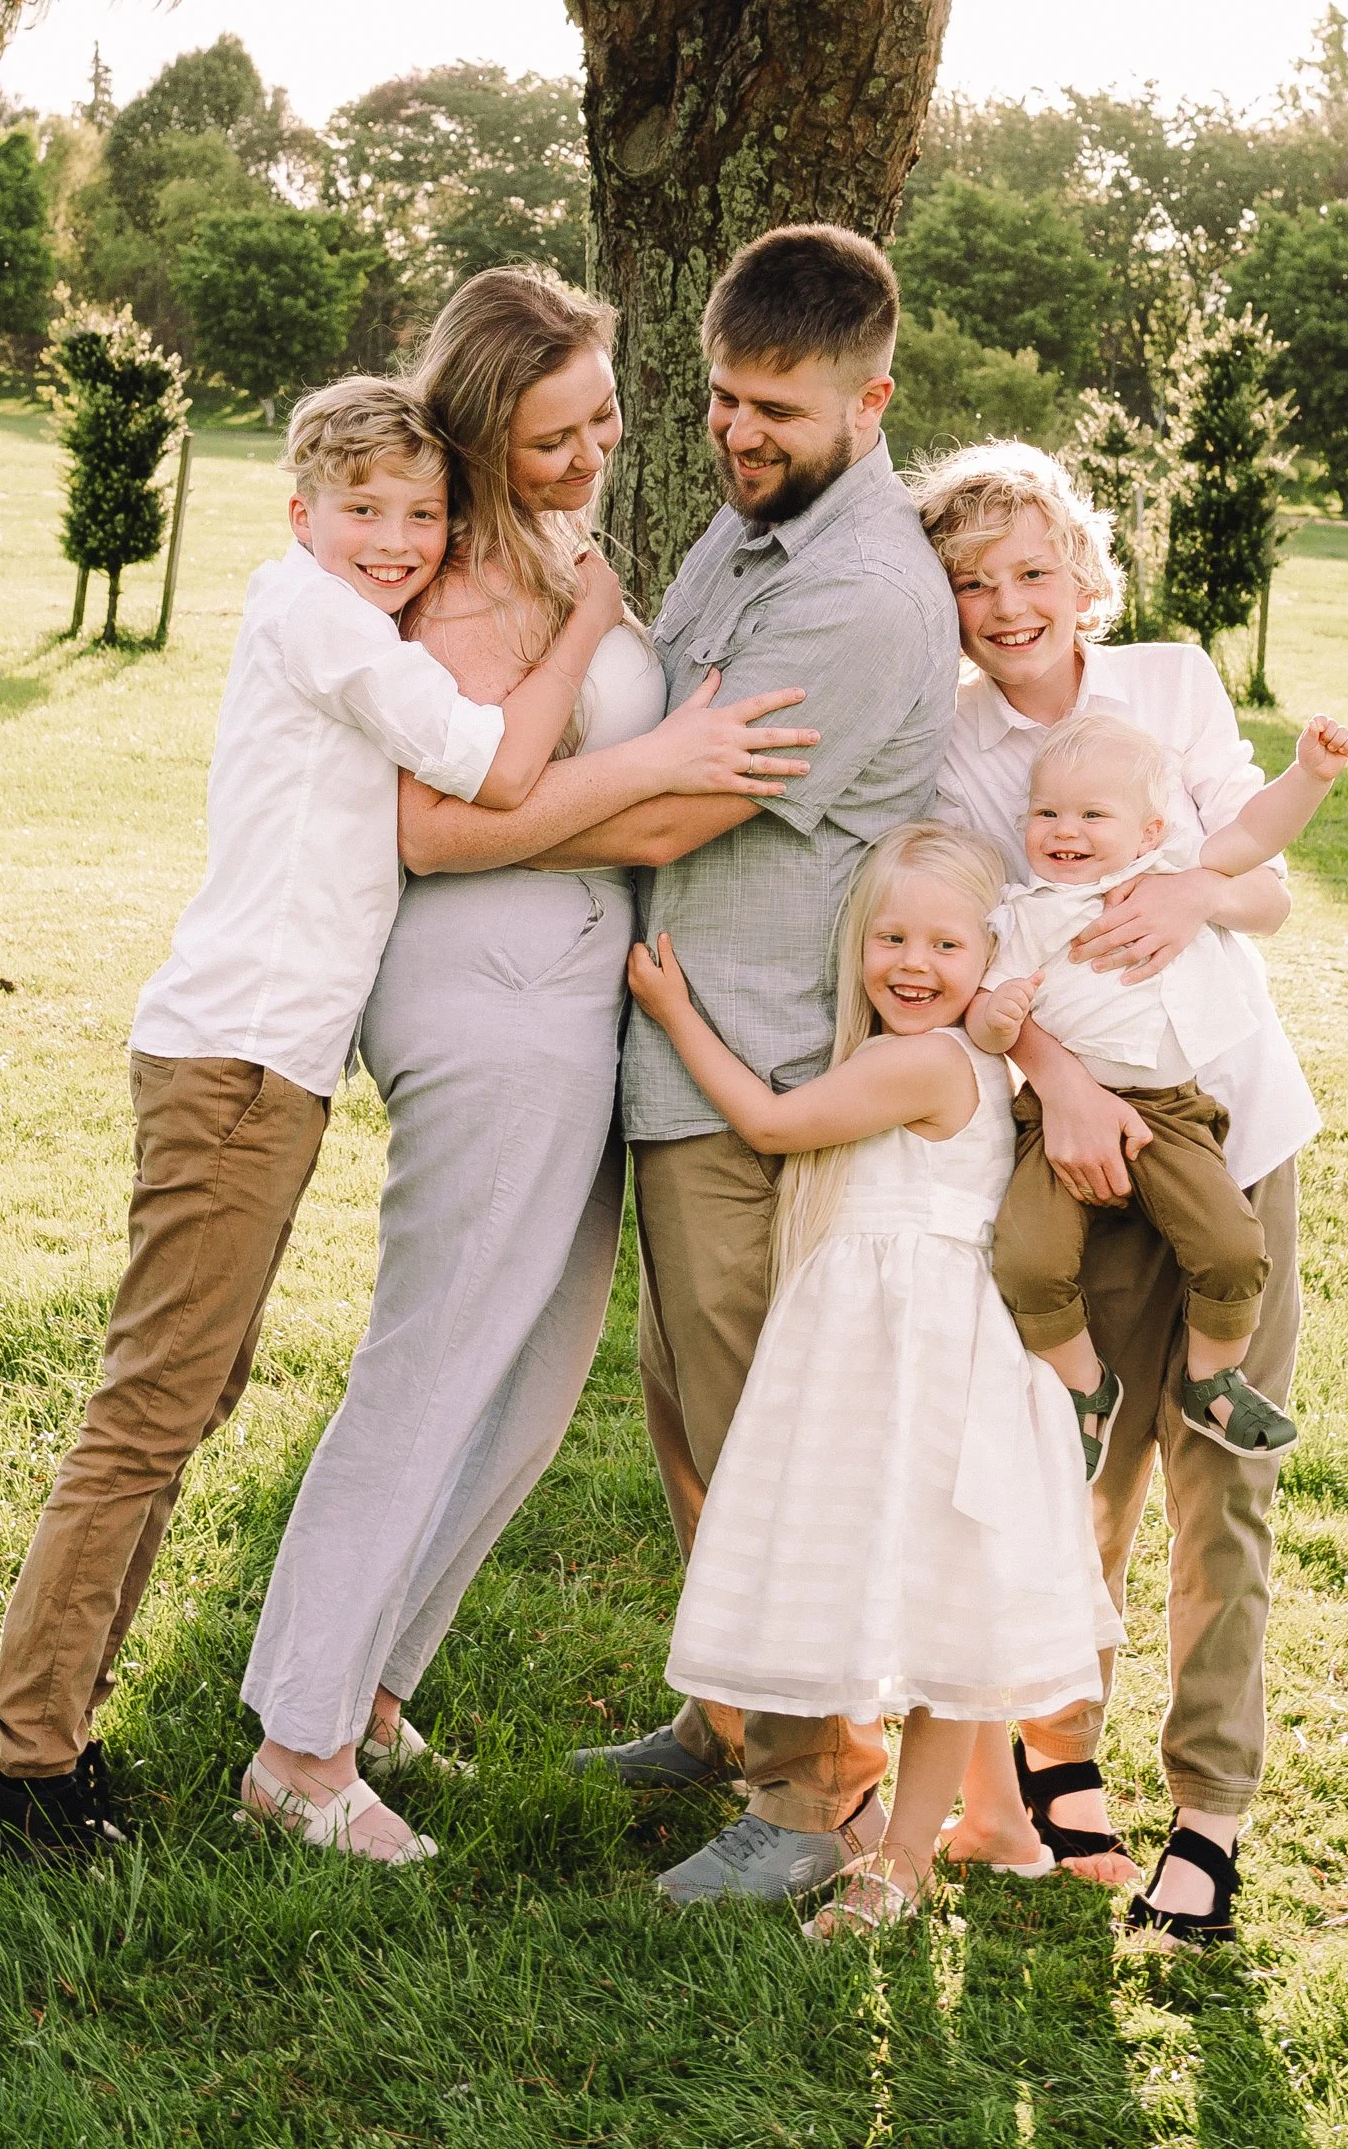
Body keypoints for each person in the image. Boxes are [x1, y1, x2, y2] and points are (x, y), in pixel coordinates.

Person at [0, 374, 633, 1856]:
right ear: (298, 511)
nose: (392, 540)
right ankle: (28, 1764)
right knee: (149, 1410)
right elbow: (502, 767)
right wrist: (586, 613)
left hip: (263, 1067)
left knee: (185, 1396)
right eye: (361, 511)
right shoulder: (318, 622)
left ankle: (34, 1713)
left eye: (421, 515)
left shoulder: (343, 621)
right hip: (238, 1069)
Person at [236, 267, 819, 1864]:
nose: (593, 454)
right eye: (556, 434)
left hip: (567, 993)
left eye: (606, 421)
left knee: (531, 1380)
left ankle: (363, 1691)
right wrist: (659, 766)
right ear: (488, 434)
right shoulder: (466, 588)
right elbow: (434, 825)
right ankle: (293, 1749)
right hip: (485, 998)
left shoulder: (551, 556)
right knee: (436, 1361)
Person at [561, 224, 963, 1907]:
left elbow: (670, 803)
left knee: (758, 1426)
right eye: (725, 398)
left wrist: (456, 835)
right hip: (684, 1049)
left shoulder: (865, 592)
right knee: (682, 1406)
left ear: (871, 400)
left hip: (768, 1074)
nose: (740, 433)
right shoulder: (748, 535)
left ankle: (811, 1794)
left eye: (780, 412)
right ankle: (729, 1709)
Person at [916, 439, 1322, 1949]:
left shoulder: (1168, 686)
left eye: (1030, 571)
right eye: (971, 582)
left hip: (1230, 1123)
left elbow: (1262, 884)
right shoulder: (949, 745)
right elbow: (957, 970)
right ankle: (1047, 1759)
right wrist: (1060, 1091)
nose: (1006, 604)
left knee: (1222, 1476)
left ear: (1085, 573)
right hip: (1070, 1147)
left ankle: (1205, 1821)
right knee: (1068, 1459)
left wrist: (1189, 891)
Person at [627, 823, 1121, 1938]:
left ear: (984, 954)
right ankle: (910, 1847)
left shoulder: (926, 1061)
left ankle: (894, 1860)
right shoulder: (954, 1055)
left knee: (938, 1610)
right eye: (889, 936)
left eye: (944, 944)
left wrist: (673, 1014)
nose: (912, 962)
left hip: (917, 1356)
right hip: (900, 1346)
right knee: (941, 1610)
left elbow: (764, 1121)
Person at [969, 708, 1348, 1474]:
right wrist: (997, 1014)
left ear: (1147, 832)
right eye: (1045, 813)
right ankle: (1083, 1387)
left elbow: (1251, 838)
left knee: (1233, 1247)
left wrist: (1308, 776)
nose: (1063, 829)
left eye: (1090, 814)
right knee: (1026, 1261)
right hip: (1059, 1118)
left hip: (1173, 1111)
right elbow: (984, 1014)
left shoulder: (1169, 871)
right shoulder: (1020, 916)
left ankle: (1210, 1379)